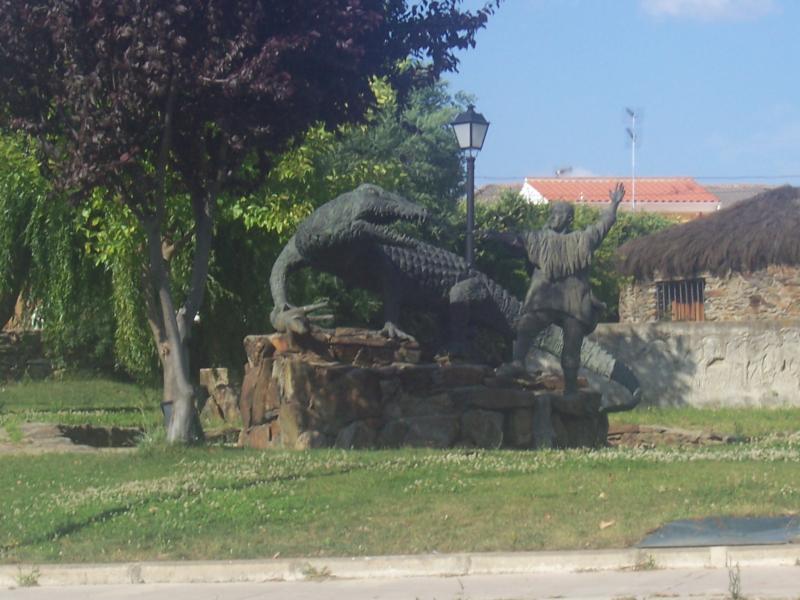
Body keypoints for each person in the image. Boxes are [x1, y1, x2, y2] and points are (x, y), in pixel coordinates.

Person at [498, 182, 625, 394]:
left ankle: (571, 387)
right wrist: (493, 235)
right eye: (552, 213)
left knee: (572, 346)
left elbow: (603, 225)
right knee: (526, 326)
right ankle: (518, 362)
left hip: (574, 302)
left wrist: (614, 204)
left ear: (569, 218)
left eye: (559, 213)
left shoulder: (581, 240)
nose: (553, 216)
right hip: (545, 298)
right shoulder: (538, 239)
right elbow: (516, 240)